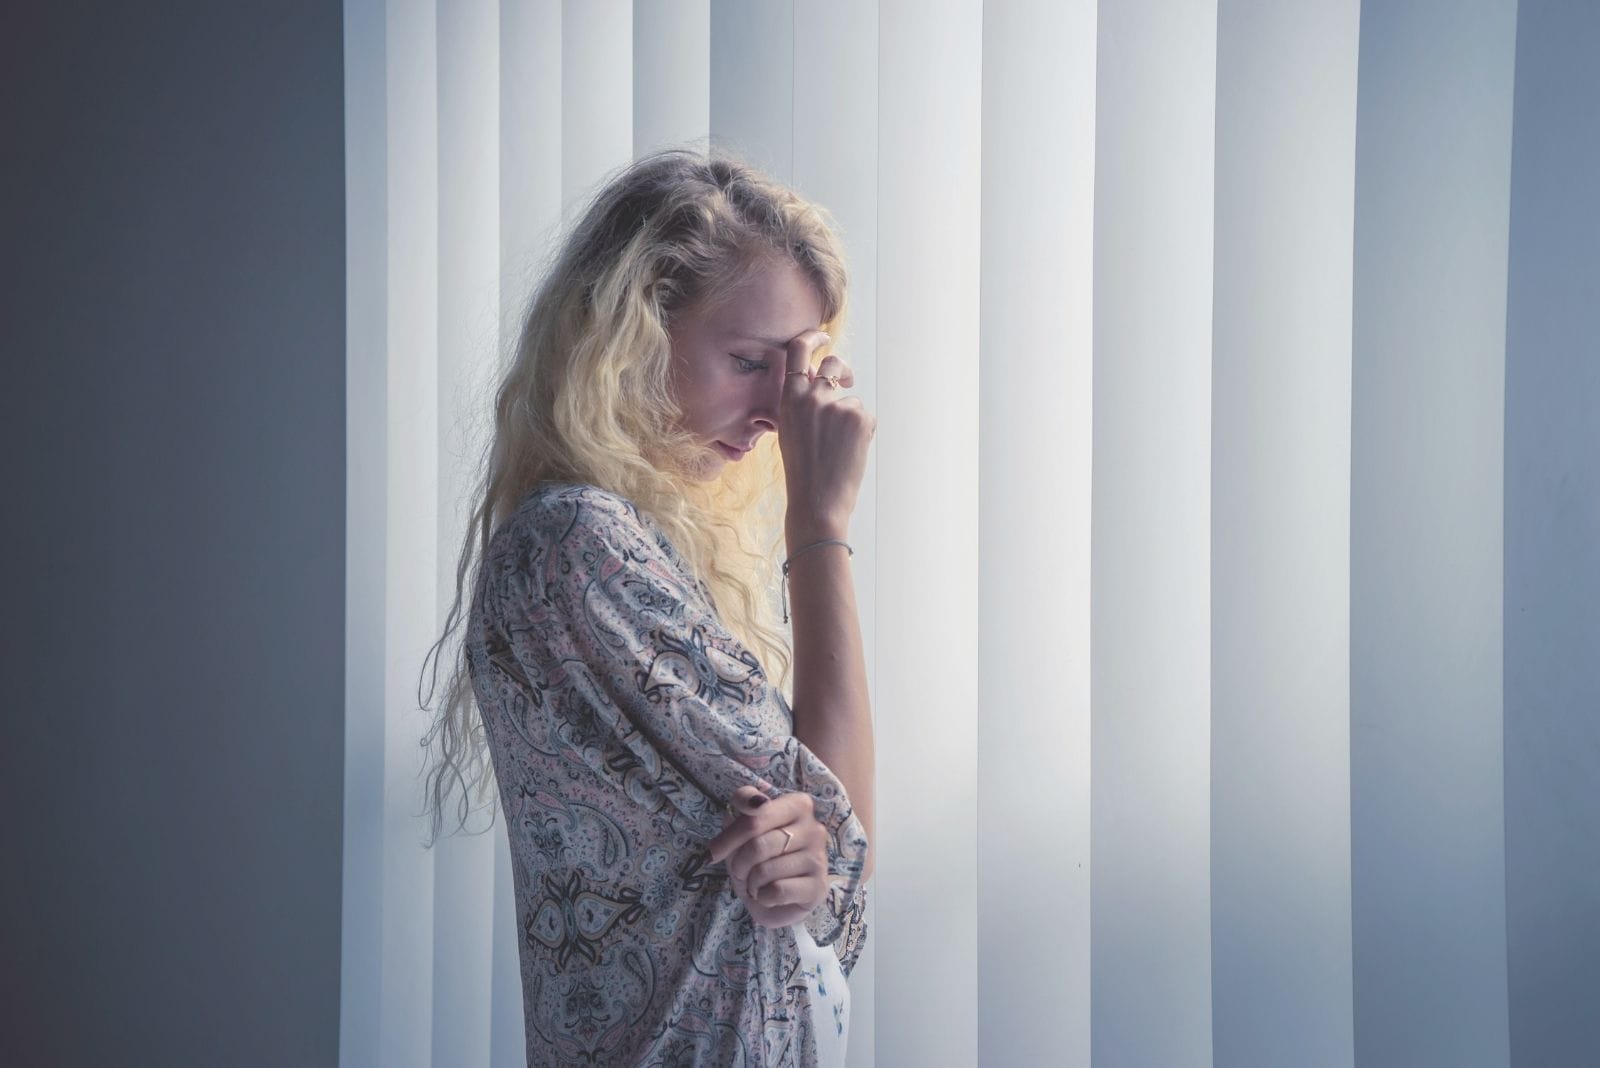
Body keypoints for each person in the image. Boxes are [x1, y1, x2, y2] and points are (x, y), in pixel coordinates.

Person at [418, 146, 877, 1066]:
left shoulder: (620, 547)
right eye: (749, 361)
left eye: (797, 371)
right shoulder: (578, 544)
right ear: (628, 335)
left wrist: (817, 856)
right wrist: (819, 522)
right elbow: (849, 855)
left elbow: (828, 873)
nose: (778, 412)